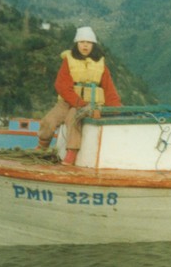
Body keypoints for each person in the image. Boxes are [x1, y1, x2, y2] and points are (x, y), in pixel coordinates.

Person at [36, 26, 122, 165]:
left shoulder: (100, 64)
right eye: (82, 42)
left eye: (88, 42)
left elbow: (108, 89)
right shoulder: (68, 60)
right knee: (49, 120)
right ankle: (42, 146)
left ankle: (71, 152)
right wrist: (78, 102)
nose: (85, 45)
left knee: (73, 118)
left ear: (93, 45)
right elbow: (61, 85)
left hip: (90, 103)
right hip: (69, 101)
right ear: (77, 44)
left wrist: (117, 109)